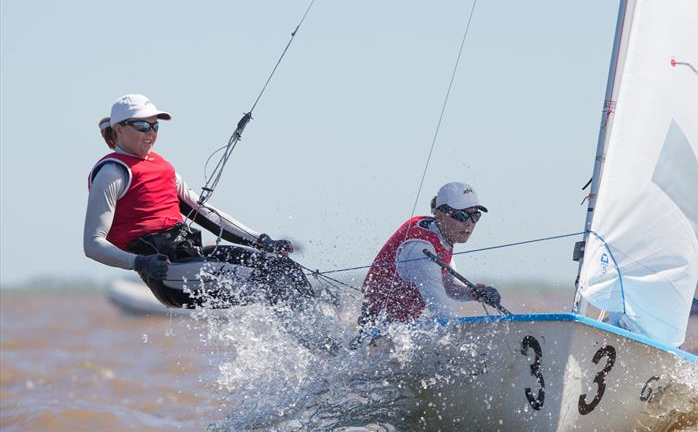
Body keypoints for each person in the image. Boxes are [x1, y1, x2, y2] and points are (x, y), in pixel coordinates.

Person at [84, 94, 313, 309]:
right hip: (168, 274)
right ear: (119, 129)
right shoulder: (111, 172)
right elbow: (93, 244)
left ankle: (330, 333)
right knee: (266, 281)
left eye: (155, 125)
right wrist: (140, 263)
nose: (150, 132)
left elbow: (205, 213)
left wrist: (261, 241)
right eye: (142, 126)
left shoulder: (162, 167)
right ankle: (321, 339)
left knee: (283, 268)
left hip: (193, 256)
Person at [358, 182, 502, 325]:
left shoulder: (441, 235)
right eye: (461, 215)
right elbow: (443, 314)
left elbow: (449, 287)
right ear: (440, 215)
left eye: (475, 216)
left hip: (401, 329)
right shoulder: (420, 250)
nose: (469, 223)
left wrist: (474, 293)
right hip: (379, 330)